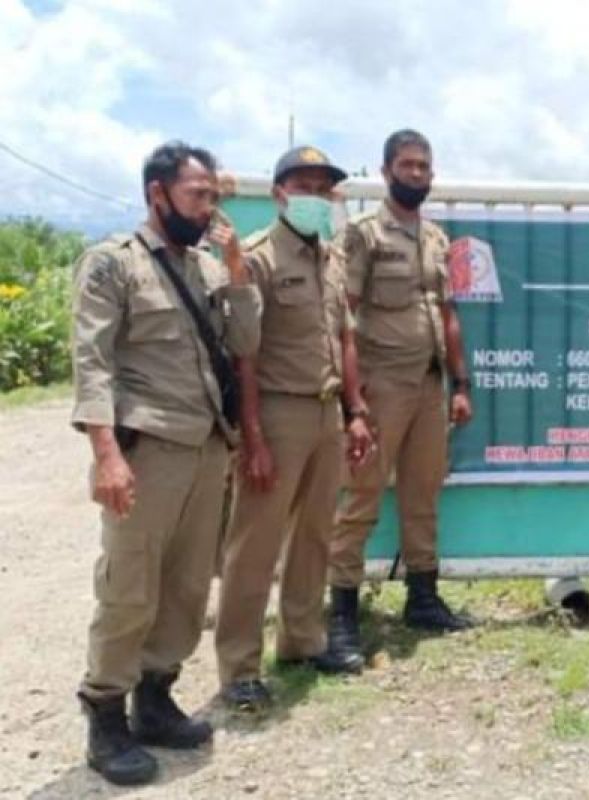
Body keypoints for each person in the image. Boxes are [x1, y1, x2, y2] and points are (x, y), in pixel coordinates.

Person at [71, 141, 260, 785]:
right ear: (158, 195)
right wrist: (105, 456)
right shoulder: (111, 264)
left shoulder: (208, 268)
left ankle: (156, 699)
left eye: (213, 195)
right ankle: (105, 716)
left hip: (208, 450)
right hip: (146, 451)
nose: (209, 207)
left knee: (184, 587)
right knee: (129, 586)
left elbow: (245, 345)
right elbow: (91, 364)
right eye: (197, 195)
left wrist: (237, 273)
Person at [214, 146, 373, 712]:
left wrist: (354, 411)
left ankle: (303, 640)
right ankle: (238, 666)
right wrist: (252, 434)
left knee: (314, 534)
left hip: (327, 411)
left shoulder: (329, 258)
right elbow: (244, 355)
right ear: (280, 194)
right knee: (254, 543)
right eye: (304, 186)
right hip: (276, 413)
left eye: (324, 188)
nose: (317, 196)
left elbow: (344, 339)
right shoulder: (257, 258)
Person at [325, 128, 473, 661]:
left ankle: (424, 599)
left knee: (422, 494)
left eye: (424, 167)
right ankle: (341, 615)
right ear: (387, 172)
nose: (418, 175)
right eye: (408, 165)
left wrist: (462, 384)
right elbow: (344, 319)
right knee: (362, 495)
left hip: (430, 387)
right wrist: (354, 405)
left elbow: (448, 314)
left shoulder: (437, 239)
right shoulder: (365, 235)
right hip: (381, 384)